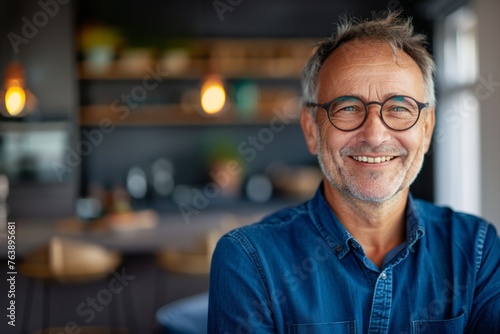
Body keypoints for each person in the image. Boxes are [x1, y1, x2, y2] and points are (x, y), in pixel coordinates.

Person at [208, 11, 500, 333]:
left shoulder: (476, 248)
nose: (374, 136)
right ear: (311, 130)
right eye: (347, 107)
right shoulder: (249, 260)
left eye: (399, 108)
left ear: (427, 129)